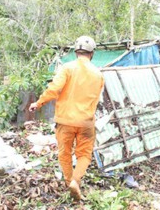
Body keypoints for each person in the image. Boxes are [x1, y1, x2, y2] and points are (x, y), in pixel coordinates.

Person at [29, 36, 105, 200]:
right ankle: (75, 182)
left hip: (65, 121)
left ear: (76, 51)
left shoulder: (67, 68)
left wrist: (39, 102)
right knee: (84, 155)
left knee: (65, 153)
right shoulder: (98, 74)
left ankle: (68, 181)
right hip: (86, 122)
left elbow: (54, 89)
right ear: (92, 53)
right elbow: (96, 99)